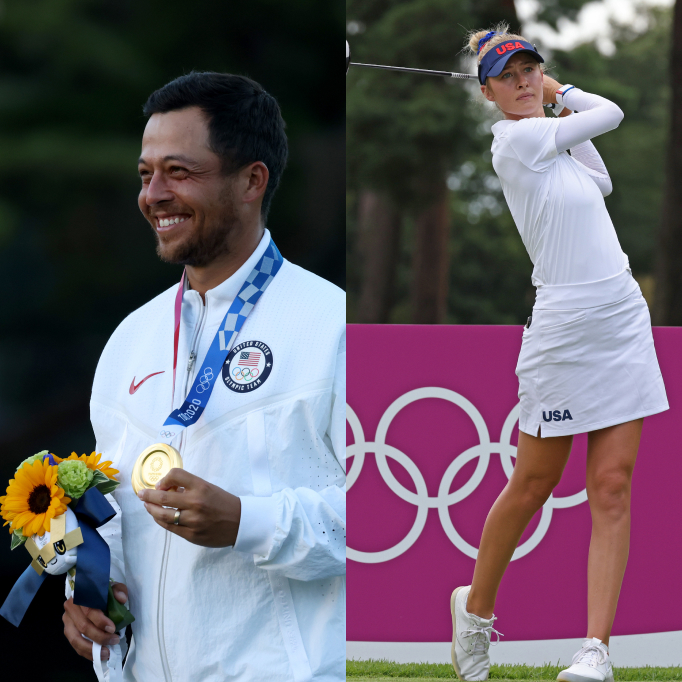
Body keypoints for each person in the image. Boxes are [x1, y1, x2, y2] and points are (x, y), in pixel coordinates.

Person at [60, 72, 346, 682]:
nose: (154, 194)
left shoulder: (334, 325)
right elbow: (117, 522)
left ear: (252, 180)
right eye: (146, 174)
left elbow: (382, 525)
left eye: (179, 172)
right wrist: (90, 598)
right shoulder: (128, 341)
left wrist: (247, 521)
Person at [449, 25, 668, 682]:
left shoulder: (556, 144)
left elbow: (598, 177)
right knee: (535, 483)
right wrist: (560, 92)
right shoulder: (516, 141)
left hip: (622, 318)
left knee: (612, 486)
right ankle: (475, 612)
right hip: (564, 329)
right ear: (487, 92)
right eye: (509, 76)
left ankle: (595, 651)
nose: (523, 82)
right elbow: (613, 111)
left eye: (530, 69)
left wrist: (555, 99)